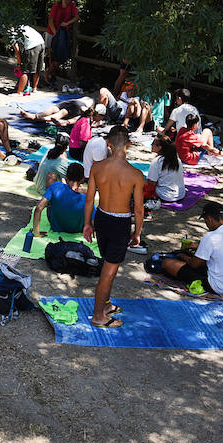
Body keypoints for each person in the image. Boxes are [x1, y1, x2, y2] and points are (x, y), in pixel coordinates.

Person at [82, 126, 144, 329]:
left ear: (109, 144)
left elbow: (89, 199)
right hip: (119, 222)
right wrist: (137, 233)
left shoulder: (97, 167)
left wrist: (87, 224)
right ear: (128, 145)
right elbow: (139, 210)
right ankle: (98, 315)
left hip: (101, 217)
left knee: (109, 265)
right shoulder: (135, 174)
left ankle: (105, 305)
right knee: (108, 271)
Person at [150, 200, 223, 296]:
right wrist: (198, 247)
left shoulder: (210, 237)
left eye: (206, 221)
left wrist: (183, 256)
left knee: (167, 263)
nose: (207, 225)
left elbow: (195, 264)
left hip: (219, 287)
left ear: (209, 219)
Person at [31, 164, 87, 234]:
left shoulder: (55, 186)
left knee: (52, 196)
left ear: (66, 177)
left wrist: (36, 233)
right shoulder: (86, 197)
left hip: (56, 227)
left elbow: (38, 208)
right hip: (77, 229)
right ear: (83, 179)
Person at [45, 0, 79, 81]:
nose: (66, 2)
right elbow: (50, 20)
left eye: (68, 0)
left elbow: (76, 17)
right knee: (51, 54)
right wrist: (55, 32)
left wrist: (67, 23)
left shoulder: (71, 5)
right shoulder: (56, 6)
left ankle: (50, 73)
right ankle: (50, 74)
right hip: (52, 32)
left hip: (63, 33)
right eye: (65, 0)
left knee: (59, 55)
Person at [144, 134, 186, 203]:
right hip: (180, 194)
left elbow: (151, 183)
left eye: (152, 143)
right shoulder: (177, 160)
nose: (151, 145)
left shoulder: (157, 161)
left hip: (165, 196)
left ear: (159, 147)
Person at [10, 24, 45, 95]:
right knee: (37, 68)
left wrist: (19, 64)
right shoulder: (22, 25)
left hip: (32, 45)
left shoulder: (12, 32)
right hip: (41, 42)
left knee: (25, 70)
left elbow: (17, 50)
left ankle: (19, 92)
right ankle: (34, 88)